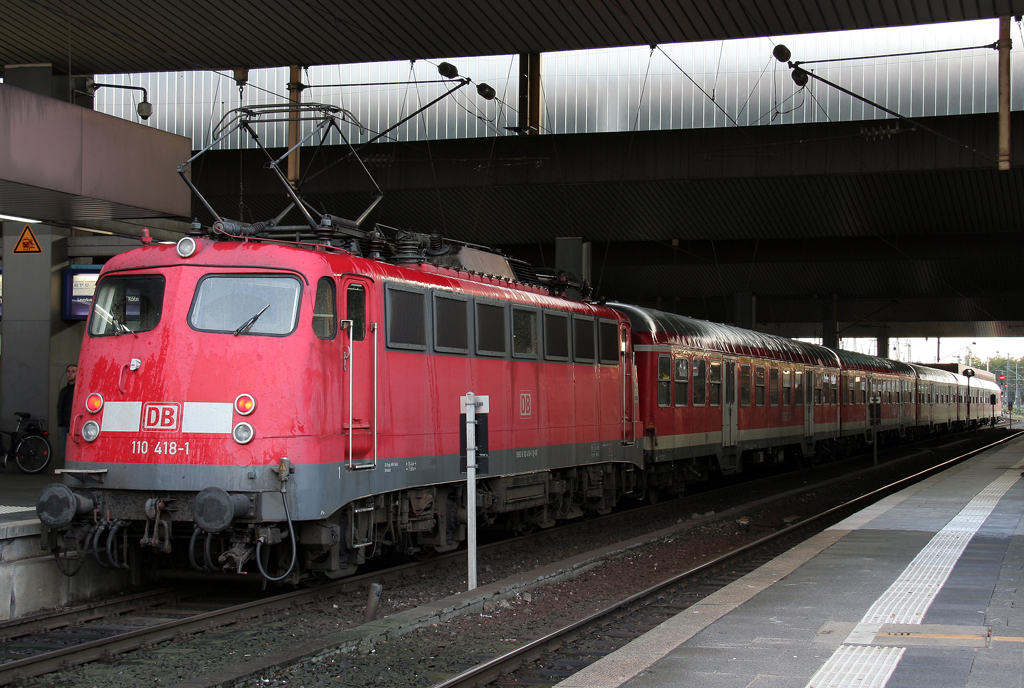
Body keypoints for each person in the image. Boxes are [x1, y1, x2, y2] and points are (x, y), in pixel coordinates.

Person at [57, 364, 77, 452]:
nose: (70, 374)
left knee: (74, 451)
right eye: (68, 371)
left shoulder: (79, 390)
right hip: (64, 425)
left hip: (75, 426)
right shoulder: (63, 390)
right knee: (64, 451)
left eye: (73, 372)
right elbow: (60, 406)